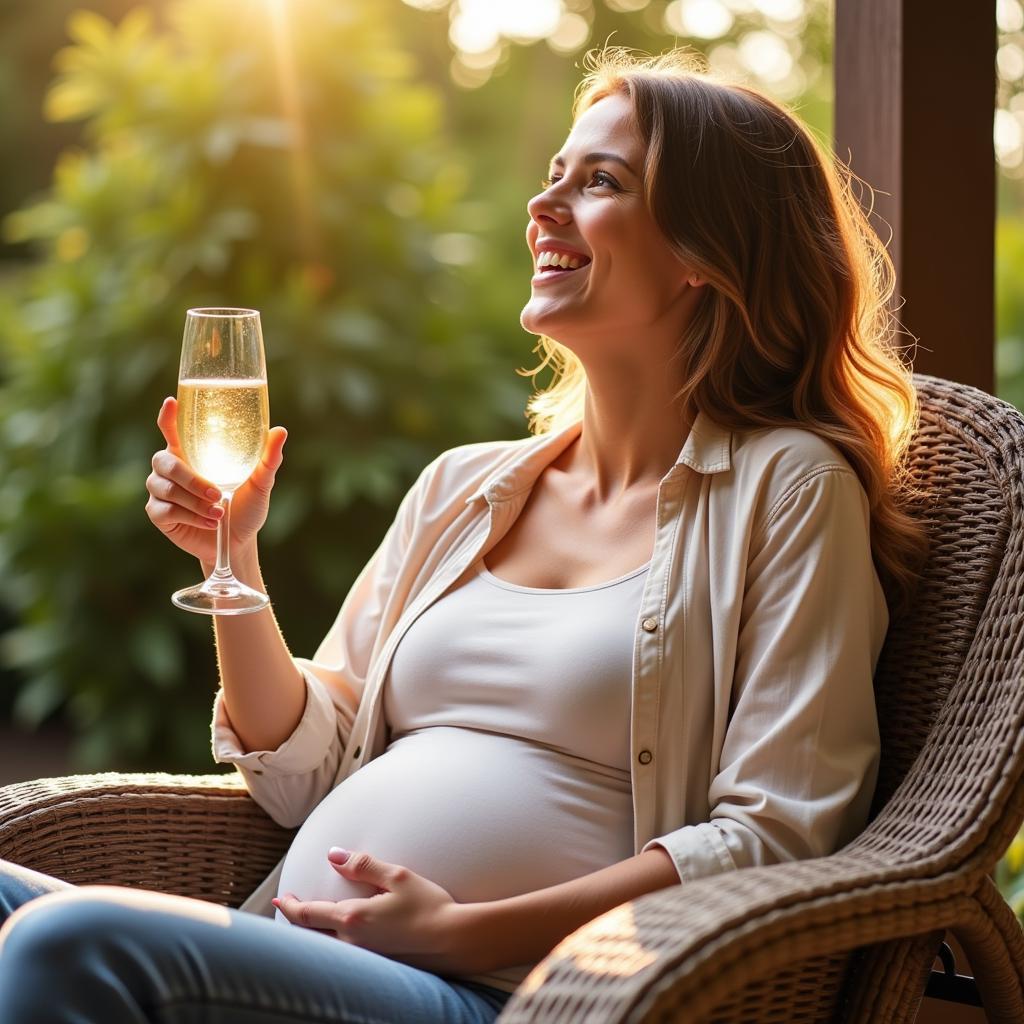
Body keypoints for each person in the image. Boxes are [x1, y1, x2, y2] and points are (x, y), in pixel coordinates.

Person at [0, 47, 928, 1022]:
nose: (544, 206)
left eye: (601, 180)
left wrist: (465, 931)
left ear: (708, 251)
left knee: (74, 942)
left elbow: (773, 834)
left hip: (504, 994)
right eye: (551, 177)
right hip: (293, 953)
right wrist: (232, 561)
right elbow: (306, 768)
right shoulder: (466, 483)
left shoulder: (787, 488)